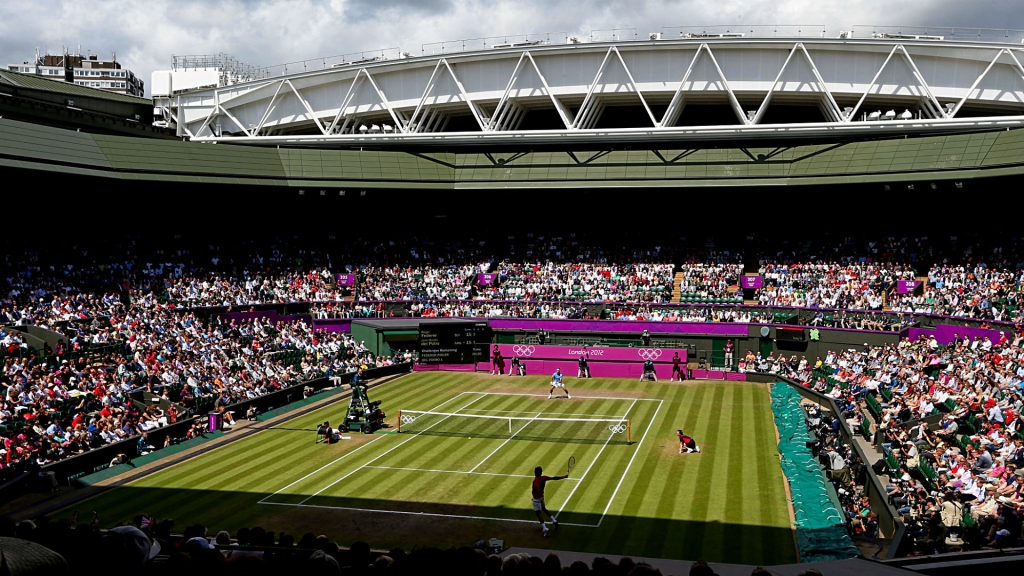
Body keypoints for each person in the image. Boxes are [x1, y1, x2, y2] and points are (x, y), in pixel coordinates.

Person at [532, 465, 569, 536]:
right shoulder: (543, 478)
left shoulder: (536, 480)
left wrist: (538, 493)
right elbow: (554, 478)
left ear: (535, 472)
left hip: (537, 499)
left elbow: (537, 487)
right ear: (541, 472)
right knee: (544, 509)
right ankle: (554, 521)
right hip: (542, 497)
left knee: (538, 513)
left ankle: (545, 529)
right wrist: (563, 476)